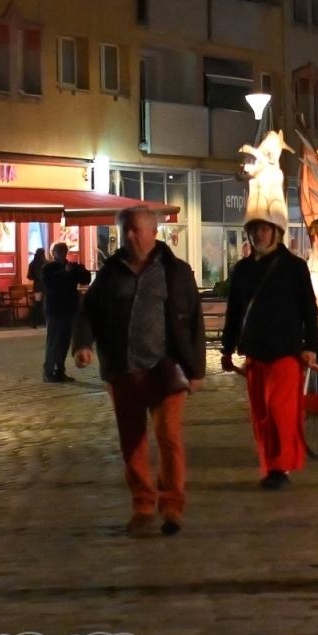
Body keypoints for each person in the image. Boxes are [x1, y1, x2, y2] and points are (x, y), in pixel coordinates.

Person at [72, 206, 206, 537]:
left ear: (153, 233)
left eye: (135, 229)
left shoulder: (176, 271)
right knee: (132, 442)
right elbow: (88, 312)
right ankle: (143, 505)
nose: (130, 236)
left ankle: (172, 505)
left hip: (166, 369)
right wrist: (83, 345)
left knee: (169, 437)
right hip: (124, 370)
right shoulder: (110, 273)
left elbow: (194, 321)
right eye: (125, 230)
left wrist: (197, 370)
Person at [221, 208, 318, 490]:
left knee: (280, 412)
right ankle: (270, 465)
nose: (259, 235)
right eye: (254, 230)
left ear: (276, 232)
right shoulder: (242, 269)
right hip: (255, 352)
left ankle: (281, 466)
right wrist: (227, 348)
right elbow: (235, 312)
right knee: (261, 415)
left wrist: (311, 345)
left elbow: (308, 309)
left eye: (264, 229)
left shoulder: (294, 267)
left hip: (286, 351)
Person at [40, 242, 90, 382]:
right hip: (55, 310)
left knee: (64, 342)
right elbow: (50, 286)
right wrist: (64, 273)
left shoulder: (71, 267)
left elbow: (85, 280)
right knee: (53, 341)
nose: (63, 254)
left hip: (70, 309)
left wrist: (82, 270)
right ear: (53, 253)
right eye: (59, 251)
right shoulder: (48, 268)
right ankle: (48, 371)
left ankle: (60, 370)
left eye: (64, 251)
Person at [26, 247, 48, 326]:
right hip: (46, 287)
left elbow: (29, 276)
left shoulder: (32, 264)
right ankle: (44, 321)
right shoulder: (47, 263)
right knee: (45, 304)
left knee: (37, 304)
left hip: (37, 287)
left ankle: (35, 322)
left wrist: (36, 277)